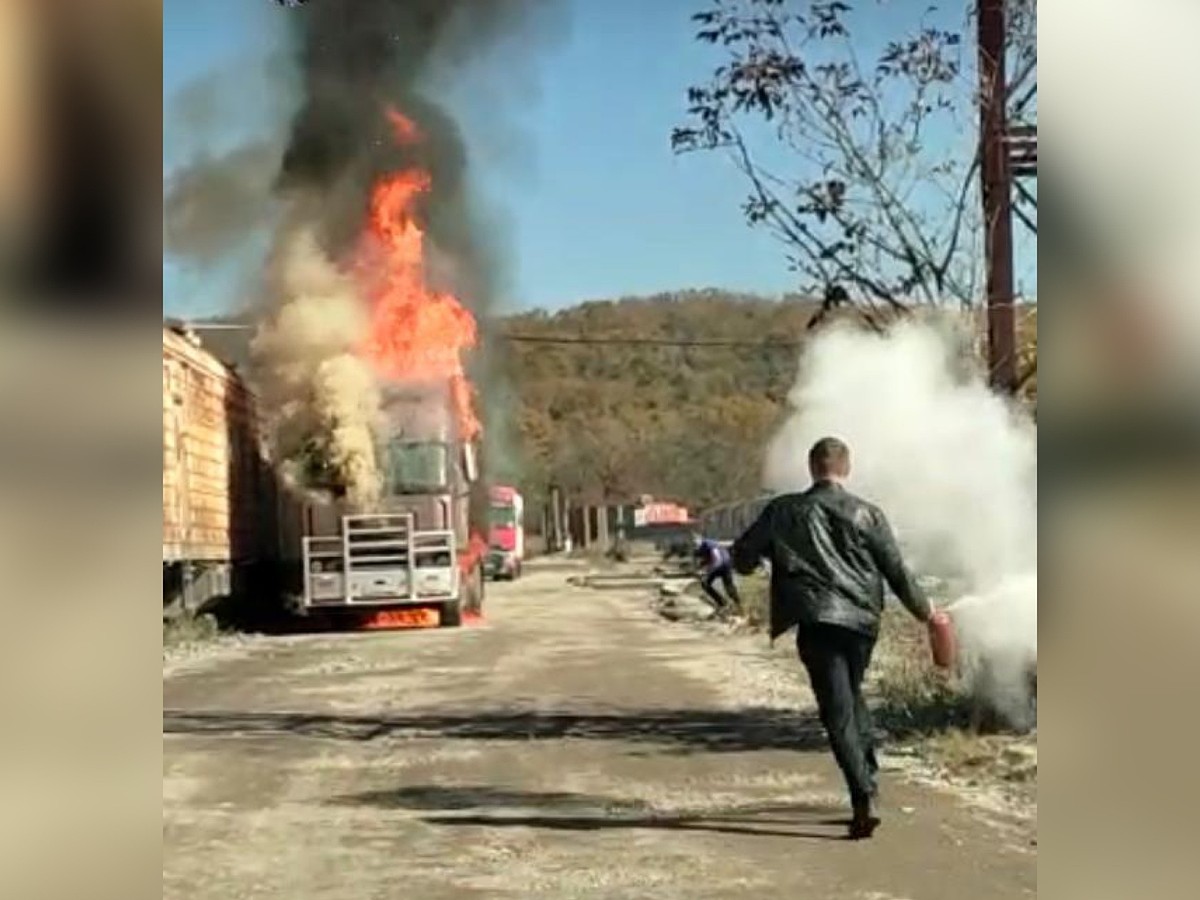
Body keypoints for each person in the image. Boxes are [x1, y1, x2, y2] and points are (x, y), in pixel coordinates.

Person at [730, 437, 935, 840]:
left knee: (836, 711)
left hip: (816, 619)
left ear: (812, 468)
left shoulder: (784, 510)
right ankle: (870, 777)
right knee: (852, 695)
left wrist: (758, 560)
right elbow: (896, 571)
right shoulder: (868, 513)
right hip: (862, 624)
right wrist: (927, 613)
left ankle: (863, 797)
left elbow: (741, 555)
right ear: (847, 468)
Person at [692, 533, 741, 617]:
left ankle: (738, 605)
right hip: (718, 565)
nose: (695, 546)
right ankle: (722, 603)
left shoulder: (709, 544)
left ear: (700, 540)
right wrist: (699, 568)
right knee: (705, 584)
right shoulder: (700, 548)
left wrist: (706, 572)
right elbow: (705, 560)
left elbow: (717, 560)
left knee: (728, 587)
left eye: (695, 544)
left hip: (724, 565)